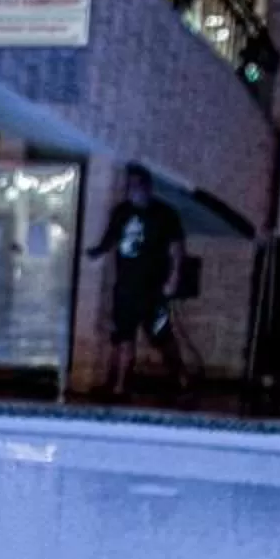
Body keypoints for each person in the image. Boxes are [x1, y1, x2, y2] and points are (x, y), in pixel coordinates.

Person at [86, 165, 187, 400]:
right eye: (129, 186)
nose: (132, 191)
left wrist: (173, 278)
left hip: (153, 287)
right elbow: (110, 239)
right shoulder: (121, 212)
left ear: (147, 187)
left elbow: (177, 249)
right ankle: (120, 385)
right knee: (123, 335)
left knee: (161, 336)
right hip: (126, 286)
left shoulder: (164, 214)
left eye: (136, 186)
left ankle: (180, 377)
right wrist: (95, 252)